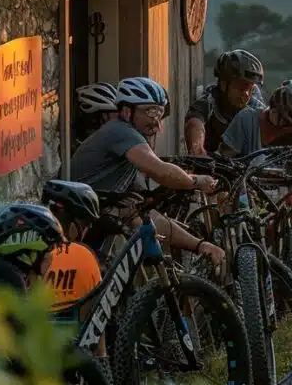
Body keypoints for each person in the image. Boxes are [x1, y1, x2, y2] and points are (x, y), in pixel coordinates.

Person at [70, 76, 224, 265]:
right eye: (151, 112)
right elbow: (161, 171)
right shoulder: (122, 132)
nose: (156, 122)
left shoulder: (125, 134)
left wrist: (200, 245)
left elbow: (145, 219)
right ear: (127, 111)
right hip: (76, 221)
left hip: (94, 213)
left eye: (159, 113)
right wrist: (197, 182)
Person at [185, 49, 266, 156]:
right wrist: (197, 148)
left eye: (250, 88)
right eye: (241, 87)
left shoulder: (255, 107)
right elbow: (195, 122)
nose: (246, 94)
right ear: (224, 84)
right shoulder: (207, 103)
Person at [219, 79, 292, 158]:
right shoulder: (247, 120)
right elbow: (224, 160)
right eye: (286, 122)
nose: (290, 129)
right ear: (275, 108)